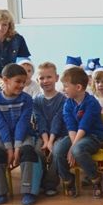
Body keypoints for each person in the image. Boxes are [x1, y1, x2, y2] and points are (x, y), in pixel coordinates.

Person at [0, 64, 41, 205]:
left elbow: (23, 123)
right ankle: (0, 192)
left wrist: (16, 148)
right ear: (5, 80)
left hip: (24, 134)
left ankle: (29, 192)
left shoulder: (27, 99)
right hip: (3, 136)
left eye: (24, 82)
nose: (22, 85)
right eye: (18, 81)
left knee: (28, 151)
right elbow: (0, 125)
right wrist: (9, 148)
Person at [55, 65, 103, 198]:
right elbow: (71, 127)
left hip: (93, 136)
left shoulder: (92, 103)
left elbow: (84, 126)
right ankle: (68, 179)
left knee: (77, 150)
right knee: (58, 150)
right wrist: (72, 146)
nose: (63, 89)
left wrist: (73, 148)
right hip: (76, 136)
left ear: (78, 87)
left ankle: (96, 179)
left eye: (66, 86)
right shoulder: (68, 104)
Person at [33, 62, 67, 197]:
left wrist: (51, 141)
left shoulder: (63, 99)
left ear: (56, 78)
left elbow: (57, 121)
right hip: (42, 135)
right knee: (37, 151)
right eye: (42, 78)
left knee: (55, 152)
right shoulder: (36, 100)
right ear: (37, 80)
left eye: (49, 77)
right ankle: (40, 181)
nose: (45, 81)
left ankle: (50, 184)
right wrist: (46, 141)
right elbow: (40, 120)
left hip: (59, 134)